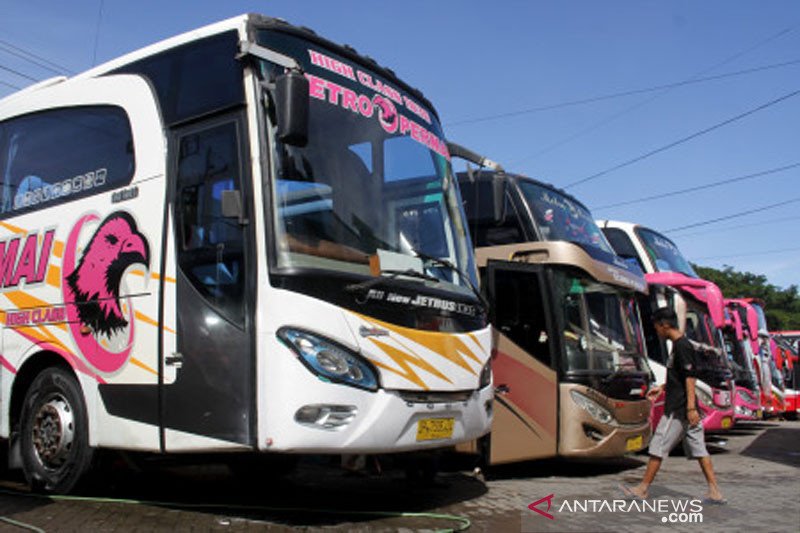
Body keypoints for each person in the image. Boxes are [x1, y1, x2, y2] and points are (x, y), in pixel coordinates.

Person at [622, 307, 725, 504]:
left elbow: (690, 378)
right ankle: (715, 492)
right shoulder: (679, 346)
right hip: (685, 408)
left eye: (657, 327)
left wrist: (690, 408)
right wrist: (662, 387)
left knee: (657, 446)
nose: (657, 332)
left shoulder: (682, 346)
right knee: (700, 449)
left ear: (665, 325)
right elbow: (678, 377)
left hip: (679, 409)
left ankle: (642, 489)